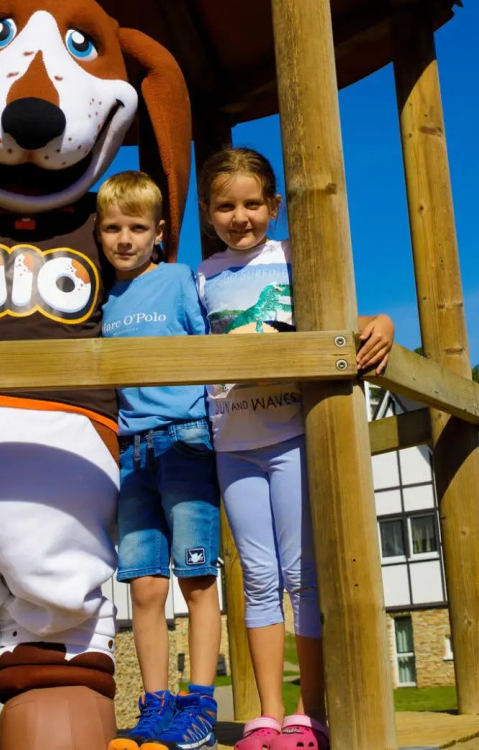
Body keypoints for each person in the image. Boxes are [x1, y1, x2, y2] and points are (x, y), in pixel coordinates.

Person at [196, 148, 394, 750]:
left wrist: (380, 320)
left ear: (274, 206)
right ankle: (265, 715)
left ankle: (310, 713)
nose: (240, 217)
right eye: (225, 206)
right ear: (207, 213)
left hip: (289, 436)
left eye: (252, 204)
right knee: (256, 578)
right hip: (233, 441)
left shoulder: (291, 258)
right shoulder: (201, 277)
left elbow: (335, 318)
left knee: (300, 576)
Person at [98, 172, 220, 750]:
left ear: (158, 233)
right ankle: (154, 705)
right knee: (144, 586)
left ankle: (198, 701)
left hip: (186, 437)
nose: (125, 238)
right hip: (132, 450)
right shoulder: (104, 299)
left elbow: (210, 346)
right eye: (113, 227)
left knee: (195, 574)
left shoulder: (175, 281)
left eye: (137, 228)